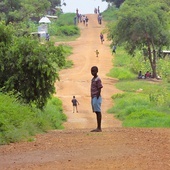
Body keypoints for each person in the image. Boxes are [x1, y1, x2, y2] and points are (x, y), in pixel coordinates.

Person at [90, 66, 103, 132]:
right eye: (92, 71)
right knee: (96, 111)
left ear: (97, 71)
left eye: (94, 71)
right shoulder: (93, 79)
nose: (93, 73)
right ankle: (98, 127)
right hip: (93, 97)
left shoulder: (98, 79)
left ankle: (99, 127)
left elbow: (100, 88)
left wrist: (97, 96)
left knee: (98, 111)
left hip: (96, 97)